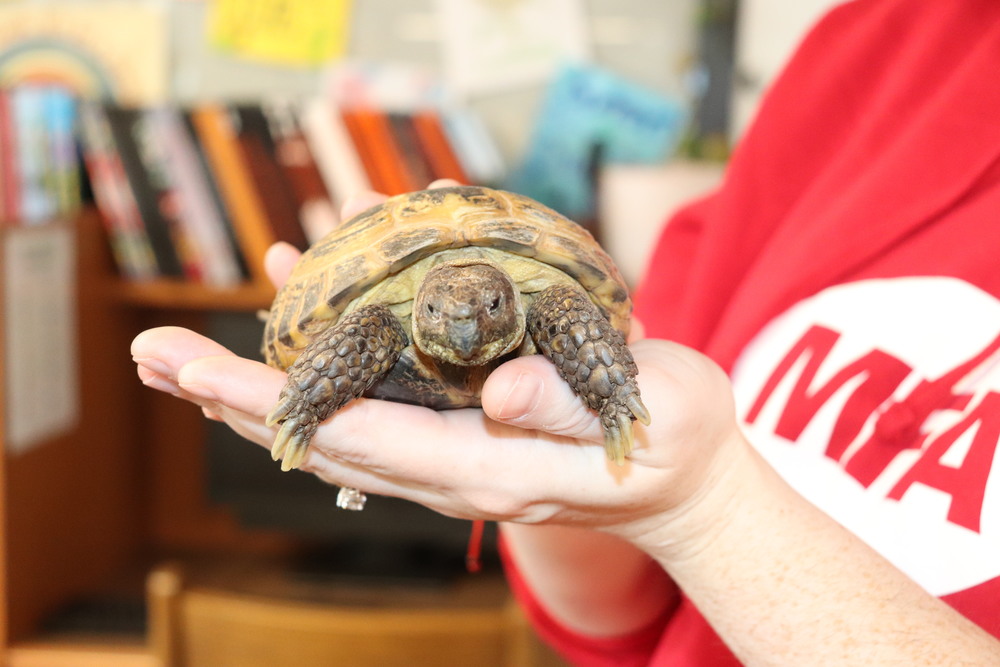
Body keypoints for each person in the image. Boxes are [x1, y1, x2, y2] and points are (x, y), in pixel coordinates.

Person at [131, 1, 1000, 664]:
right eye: (443, 317)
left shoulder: (552, 297)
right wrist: (558, 491)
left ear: (519, 305)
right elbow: (618, 610)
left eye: (494, 315)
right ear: (418, 307)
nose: (469, 332)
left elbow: (654, 448)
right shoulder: (883, 41)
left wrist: (706, 505)